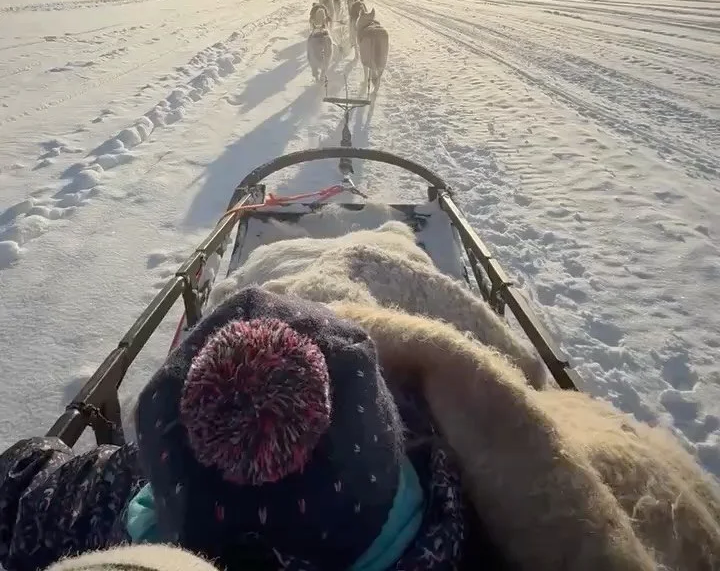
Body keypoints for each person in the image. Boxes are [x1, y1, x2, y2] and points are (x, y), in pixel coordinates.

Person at [2, 221, 720, 571]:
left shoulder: (113, 510)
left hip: (295, 280)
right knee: (381, 260)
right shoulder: (473, 520)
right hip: (370, 286)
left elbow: (25, 487)